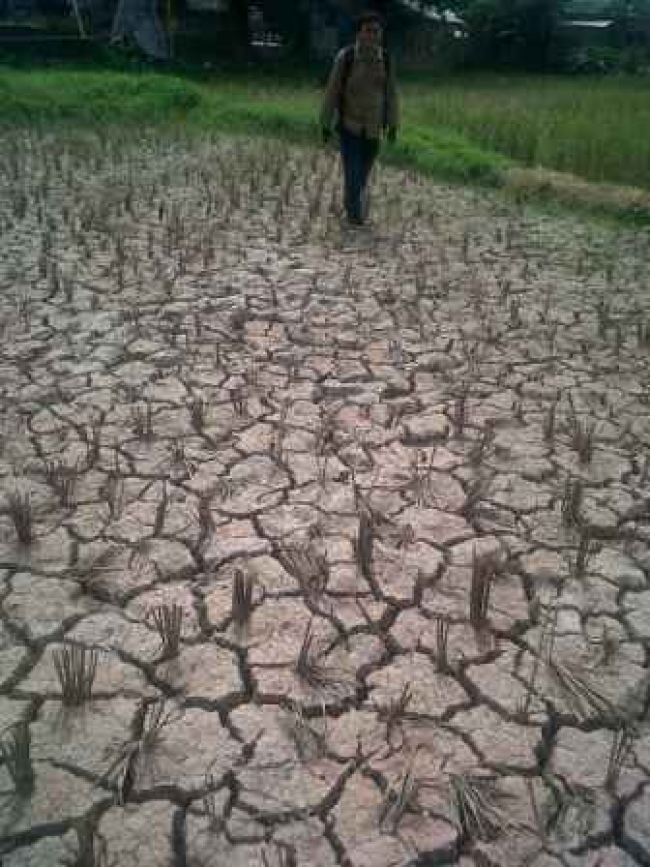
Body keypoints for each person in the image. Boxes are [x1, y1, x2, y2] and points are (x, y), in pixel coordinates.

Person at [320, 11, 399, 227]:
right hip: (349, 127)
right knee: (353, 173)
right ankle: (355, 216)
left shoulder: (387, 59)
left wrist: (393, 125)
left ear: (381, 34)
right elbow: (332, 91)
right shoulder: (346, 57)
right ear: (359, 33)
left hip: (373, 130)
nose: (372, 35)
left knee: (362, 176)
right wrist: (325, 124)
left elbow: (391, 94)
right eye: (368, 31)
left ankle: (350, 202)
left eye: (376, 31)